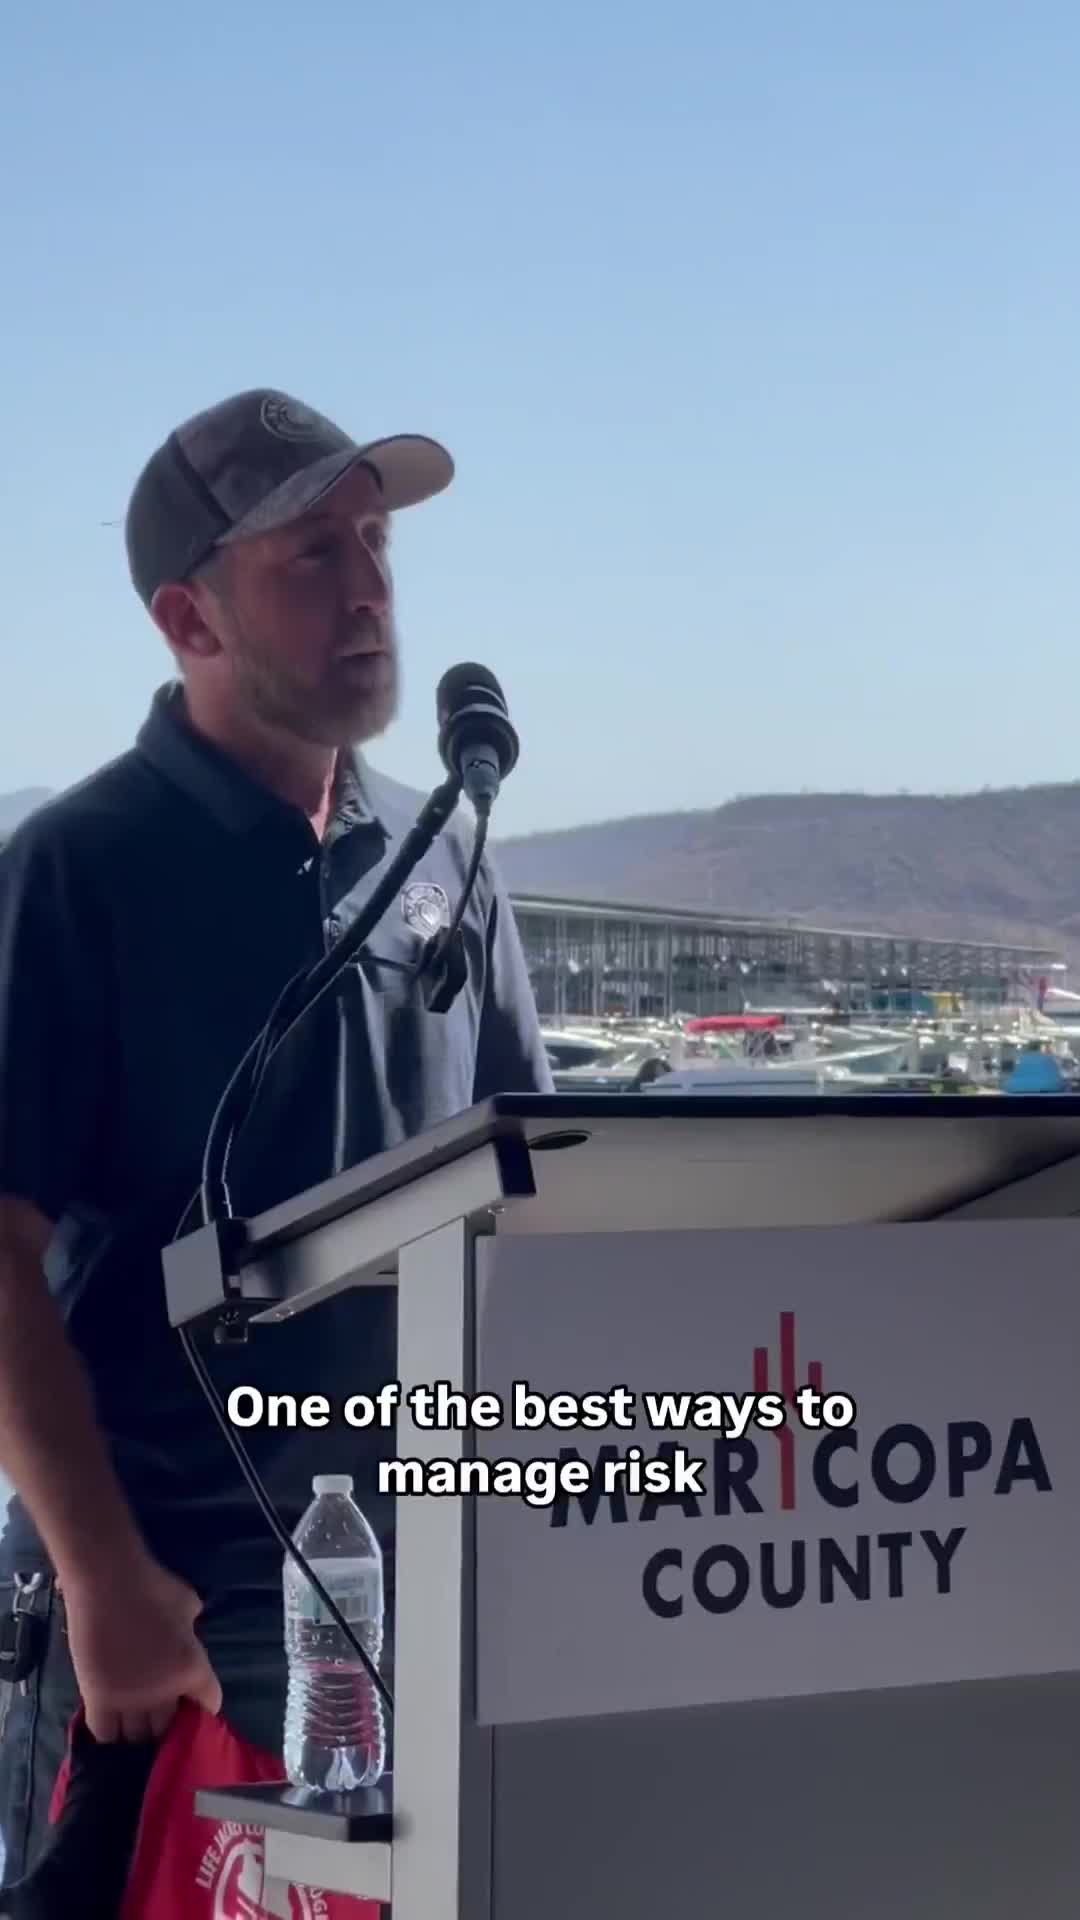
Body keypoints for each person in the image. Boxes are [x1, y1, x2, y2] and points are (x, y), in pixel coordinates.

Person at [0, 387, 554, 1889]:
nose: (371, 586)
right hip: (180, 1644)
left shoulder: (451, 858)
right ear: (189, 618)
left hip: (443, 1620)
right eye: (310, 556)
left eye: (373, 544)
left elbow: (546, 1199)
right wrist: (105, 1576)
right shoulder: (77, 871)